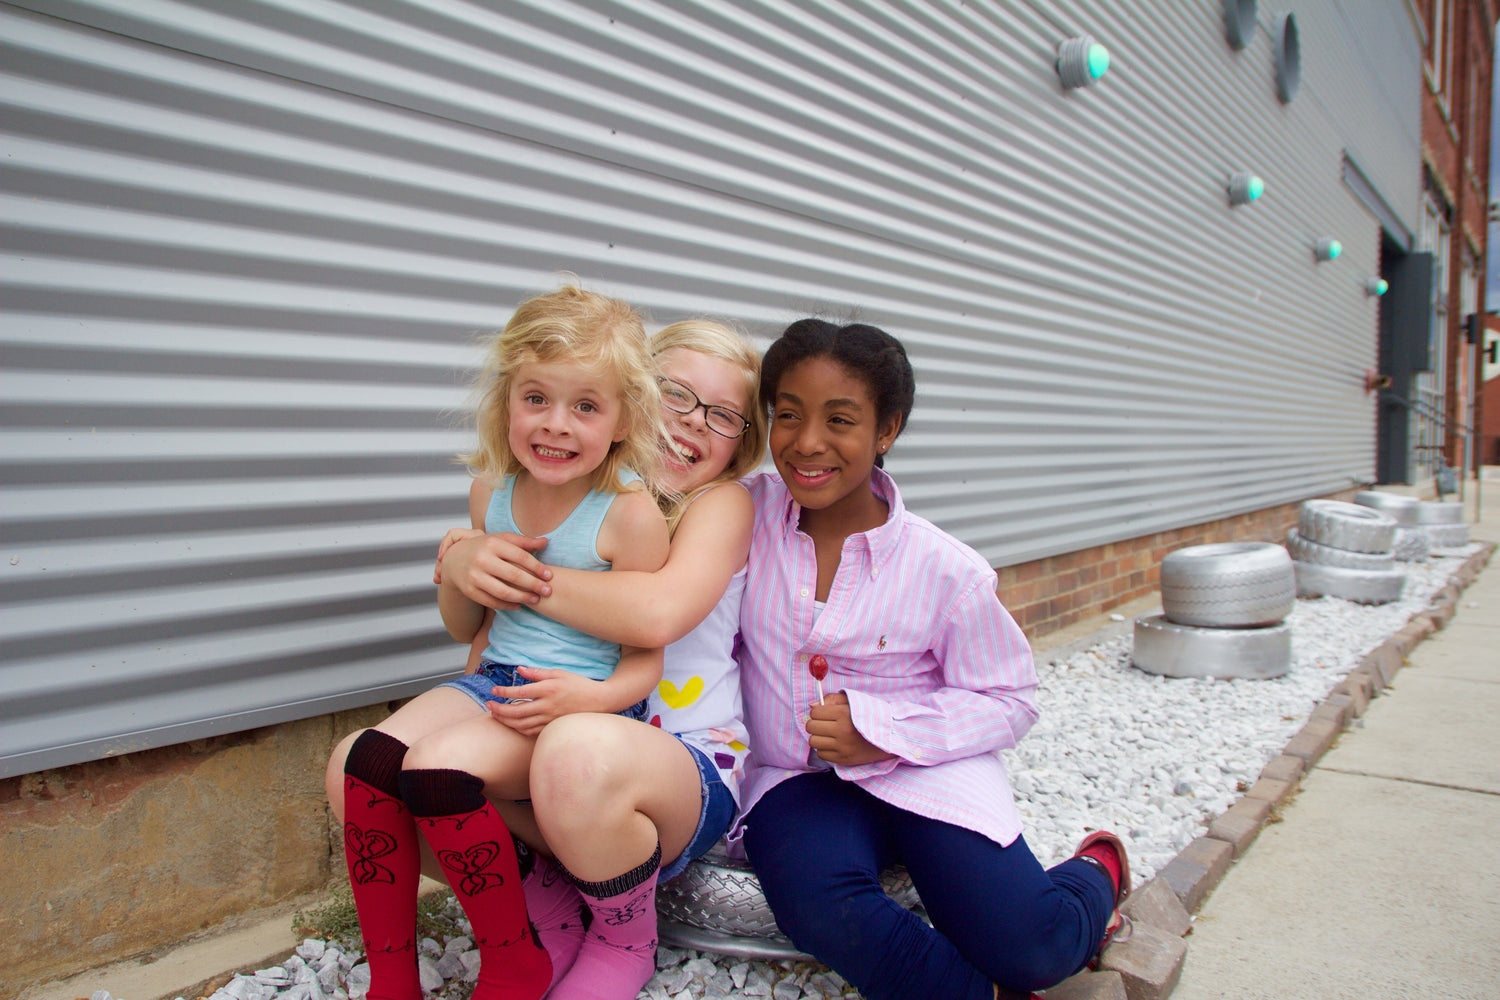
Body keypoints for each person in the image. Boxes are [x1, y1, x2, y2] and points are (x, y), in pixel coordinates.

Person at [734, 319, 1131, 1000]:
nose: (806, 443)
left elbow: (1012, 698)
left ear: (886, 431)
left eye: (840, 420)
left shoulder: (945, 569)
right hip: (799, 783)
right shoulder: (743, 518)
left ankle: (1097, 872)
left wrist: (879, 730)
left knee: (1033, 946)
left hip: (927, 770)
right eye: (787, 415)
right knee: (820, 906)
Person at [327, 284, 670, 1000]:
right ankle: (391, 981)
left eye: (586, 406)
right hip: (496, 680)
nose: (555, 425)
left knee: (437, 772)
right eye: (535, 398)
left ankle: (514, 960)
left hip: (578, 707)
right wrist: (456, 562)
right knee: (364, 761)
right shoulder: (494, 492)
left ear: (622, 420)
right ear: (506, 399)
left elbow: (648, 653)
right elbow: (469, 627)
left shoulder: (629, 514)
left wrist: (595, 699)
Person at [434, 319, 765, 1000]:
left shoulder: (720, 503)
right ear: (631, 400)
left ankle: (624, 937)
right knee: (372, 766)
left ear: (743, 442)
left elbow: (655, 614)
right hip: (555, 733)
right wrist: (462, 562)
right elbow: (486, 642)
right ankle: (547, 904)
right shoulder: (565, 491)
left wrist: (492, 563)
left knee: (576, 751)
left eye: (723, 415)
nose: (692, 424)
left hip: (682, 760)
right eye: (675, 395)